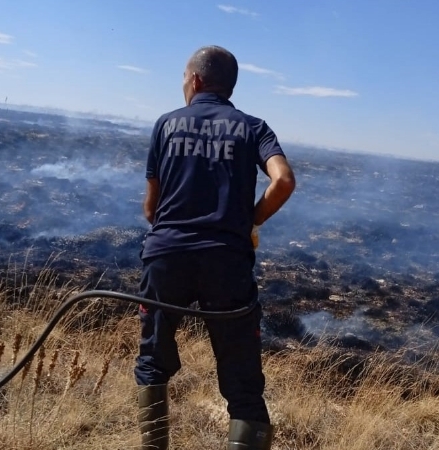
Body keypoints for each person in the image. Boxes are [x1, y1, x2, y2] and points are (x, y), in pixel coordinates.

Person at [135, 45, 296, 450]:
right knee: (242, 382)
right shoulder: (254, 127)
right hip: (227, 263)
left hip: (165, 257)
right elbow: (284, 181)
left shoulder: (166, 124)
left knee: (153, 364)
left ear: (196, 81)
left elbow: (150, 207)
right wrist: (250, 220)